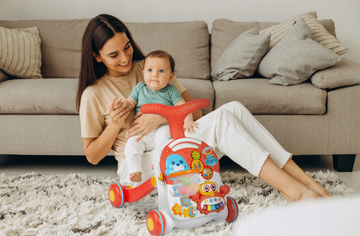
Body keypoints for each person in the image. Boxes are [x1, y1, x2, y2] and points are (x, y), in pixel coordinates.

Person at [76, 14, 330, 202]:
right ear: (97, 56)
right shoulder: (93, 94)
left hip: (170, 142)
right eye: (113, 55)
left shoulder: (151, 67)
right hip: (139, 166)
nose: (125, 58)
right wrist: (116, 125)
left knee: (234, 109)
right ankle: (293, 191)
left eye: (127, 47)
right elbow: (93, 155)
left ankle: (308, 183)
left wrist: (160, 118)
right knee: (221, 122)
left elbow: (195, 114)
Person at [118, 50, 198, 182]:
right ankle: (135, 170)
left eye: (161, 71)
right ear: (143, 73)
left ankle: (158, 162)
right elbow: (129, 103)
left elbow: (183, 107)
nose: (155, 75)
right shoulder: (139, 88)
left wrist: (188, 121)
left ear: (171, 76)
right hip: (142, 132)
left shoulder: (171, 91)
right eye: (150, 70)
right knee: (131, 145)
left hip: (161, 128)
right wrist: (120, 104)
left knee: (165, 137)